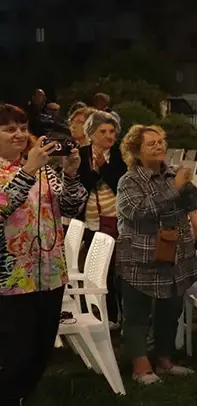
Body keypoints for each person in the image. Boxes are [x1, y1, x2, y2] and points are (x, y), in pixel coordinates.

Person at [0, 104, 86, 406]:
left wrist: (70, 174)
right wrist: (27, 170)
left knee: (38, 353)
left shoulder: (43, 169)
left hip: (49, 274)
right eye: (9, 129)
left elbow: (70, 206)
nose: (19, 134)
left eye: (22, 127)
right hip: (10, 279)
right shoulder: (25, 168)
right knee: (12, 355)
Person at [115, 125, 197, 385]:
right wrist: (175, 190)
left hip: (177, 256)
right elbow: (139, 212)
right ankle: (140, 366)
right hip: (141, 258)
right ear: (136, 151)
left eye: (160, 142)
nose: (158, 146)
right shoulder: (128, 181)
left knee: (170, 309)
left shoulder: (172, 174)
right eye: (151, 143)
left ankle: (165, 360)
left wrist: (189, 191)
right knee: (137, 313)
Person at [76, 110, 125, 326]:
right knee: (93, 265)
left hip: (114, 216)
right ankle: (96, 311)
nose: (108, 136)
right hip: (89, 217)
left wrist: (103, 167)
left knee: (114, 268)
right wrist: (96, 172)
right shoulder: (81, 153)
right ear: (91, 133)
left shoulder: (120, 154)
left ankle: (115, 315)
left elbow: (119, 184)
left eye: (111, 131)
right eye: (102, 131)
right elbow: (83, 184)